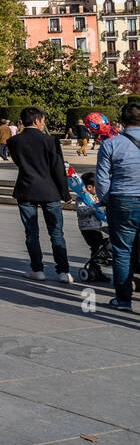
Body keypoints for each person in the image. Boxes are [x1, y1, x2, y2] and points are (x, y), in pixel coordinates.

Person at [7, 106, 72, 282]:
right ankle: (63, 271)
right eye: (43, 121)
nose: (44, 124)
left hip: (26, 188)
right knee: (56, 232)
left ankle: (38, 269)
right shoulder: (50, 141)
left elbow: (19, 163)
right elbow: (58, 169)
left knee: (31, 232)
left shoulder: (14, 142)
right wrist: (65, 193)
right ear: (37, 120)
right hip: (50, 190)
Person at [93, 100, 140, 310]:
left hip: (122, 200)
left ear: (120, 121)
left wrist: (105, 199)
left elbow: (102, 179)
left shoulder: (110, 144)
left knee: (122, 251)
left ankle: (123, 300)